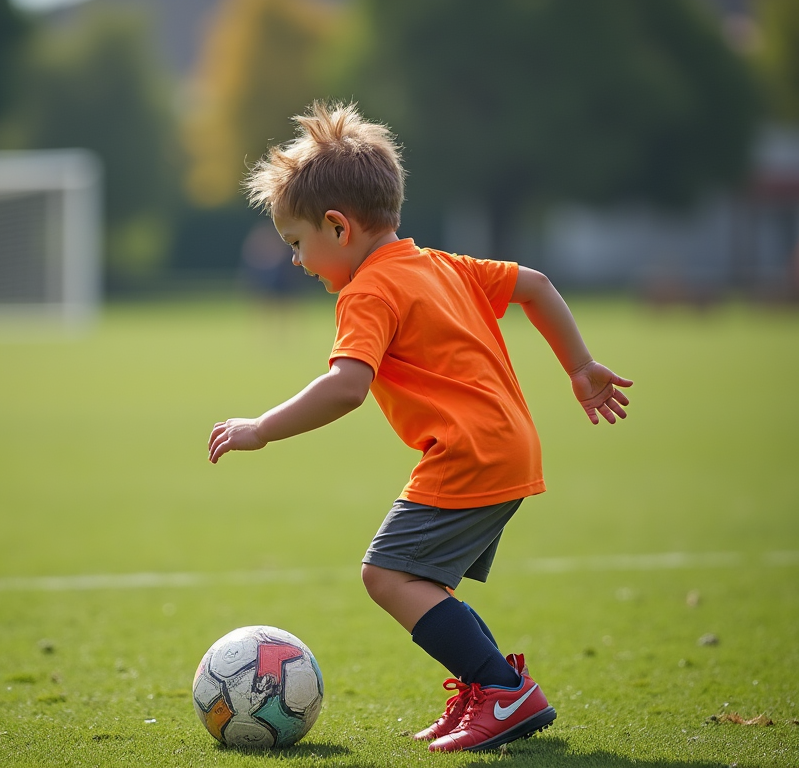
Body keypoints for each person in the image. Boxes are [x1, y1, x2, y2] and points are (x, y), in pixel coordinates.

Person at [206, 101, 633, 753]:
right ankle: (490, 689)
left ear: (337, 227)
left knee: (386, 575)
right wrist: (579, 367)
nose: (295, 261)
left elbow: (347, 386)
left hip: (470, 453)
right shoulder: (439, 264)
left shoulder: (368, 291)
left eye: (297, 244)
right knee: (422, 582)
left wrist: (261, 427)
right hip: (509, 445)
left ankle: (501, 691)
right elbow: (537, 284)